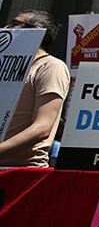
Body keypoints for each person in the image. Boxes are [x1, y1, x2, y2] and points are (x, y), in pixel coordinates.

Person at [0, 10, 70, 167]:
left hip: (18, 171)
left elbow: (42, 127)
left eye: (15, 24)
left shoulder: (51, 67)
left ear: (35, 31)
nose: (6, 27)